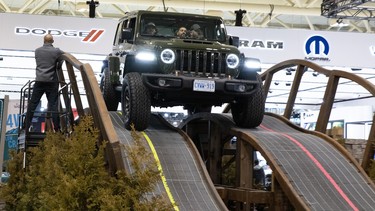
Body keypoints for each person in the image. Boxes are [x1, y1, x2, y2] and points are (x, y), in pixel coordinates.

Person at [24, 34, 64, 132]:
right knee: (53, 105)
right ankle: (57, 129)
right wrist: (59, 64)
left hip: (39, 81)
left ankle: (25, 126)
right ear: (52, 41)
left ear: (43, 40)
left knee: (32, 104)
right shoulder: (56, 51)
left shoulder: (37, 51)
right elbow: (64, 56)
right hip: (51, 82)